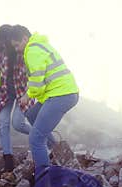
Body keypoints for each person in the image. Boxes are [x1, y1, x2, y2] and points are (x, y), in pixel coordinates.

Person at [10, 25, 79, 170]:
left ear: (24, 38)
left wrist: (27, 96)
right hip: (59, 93)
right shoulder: (39, 46)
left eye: (16, 45)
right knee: (32, 114)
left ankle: (44, 179)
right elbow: (40, 77)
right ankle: (55, 150)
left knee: (35, 139)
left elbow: (37, 82)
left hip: (61, 95)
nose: (16, 49)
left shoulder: (32, 50)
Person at [0, 25, 58, 172]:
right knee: (3, 124)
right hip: (5, 93)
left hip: (23, 92)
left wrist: (28, 93)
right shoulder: (0, 51)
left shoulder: (23, 51)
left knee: (18, 124)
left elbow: (33, 74)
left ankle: (51, 141)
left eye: (6, 42)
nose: (6, 45)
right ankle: (8, 159)